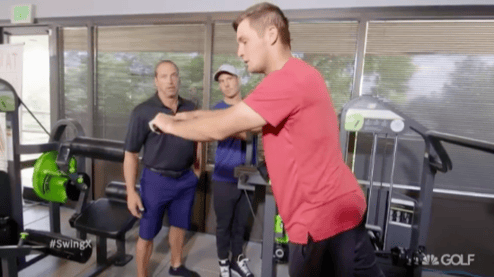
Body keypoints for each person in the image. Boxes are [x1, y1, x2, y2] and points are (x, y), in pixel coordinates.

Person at [149, 3, 384, 277]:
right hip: (342, 209)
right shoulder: (300, 75)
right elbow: (234, 116)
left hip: (320, 221)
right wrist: (182, 118)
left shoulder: (286, 81)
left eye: (244, 41)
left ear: (271, 34)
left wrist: (166, 122)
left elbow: (219, 127)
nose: (240, 52)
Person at [123, 60, 201, 277]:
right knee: (147, 234)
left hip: (185, 179)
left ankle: (176, 266)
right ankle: (142, 275)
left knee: (179, 225)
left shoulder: (190, 107)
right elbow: (130, 154)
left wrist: (197, 169)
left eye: (174, 75)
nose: (170, 80)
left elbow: (199, 139)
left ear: (179, 79)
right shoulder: (142, 111)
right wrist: (131, 192)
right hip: (156, 181)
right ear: (155, 81)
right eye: (164, 76)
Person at [212, 64, 256, 277]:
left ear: (239, 80)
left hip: (249, 175)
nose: (226, 84)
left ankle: (237, 260)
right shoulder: (217, 110)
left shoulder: (253, 106)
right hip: (224, 176)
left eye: (229, 78)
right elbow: (243, 132)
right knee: (224, 225)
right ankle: (223, 263)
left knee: (241, 224)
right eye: (221, 81)